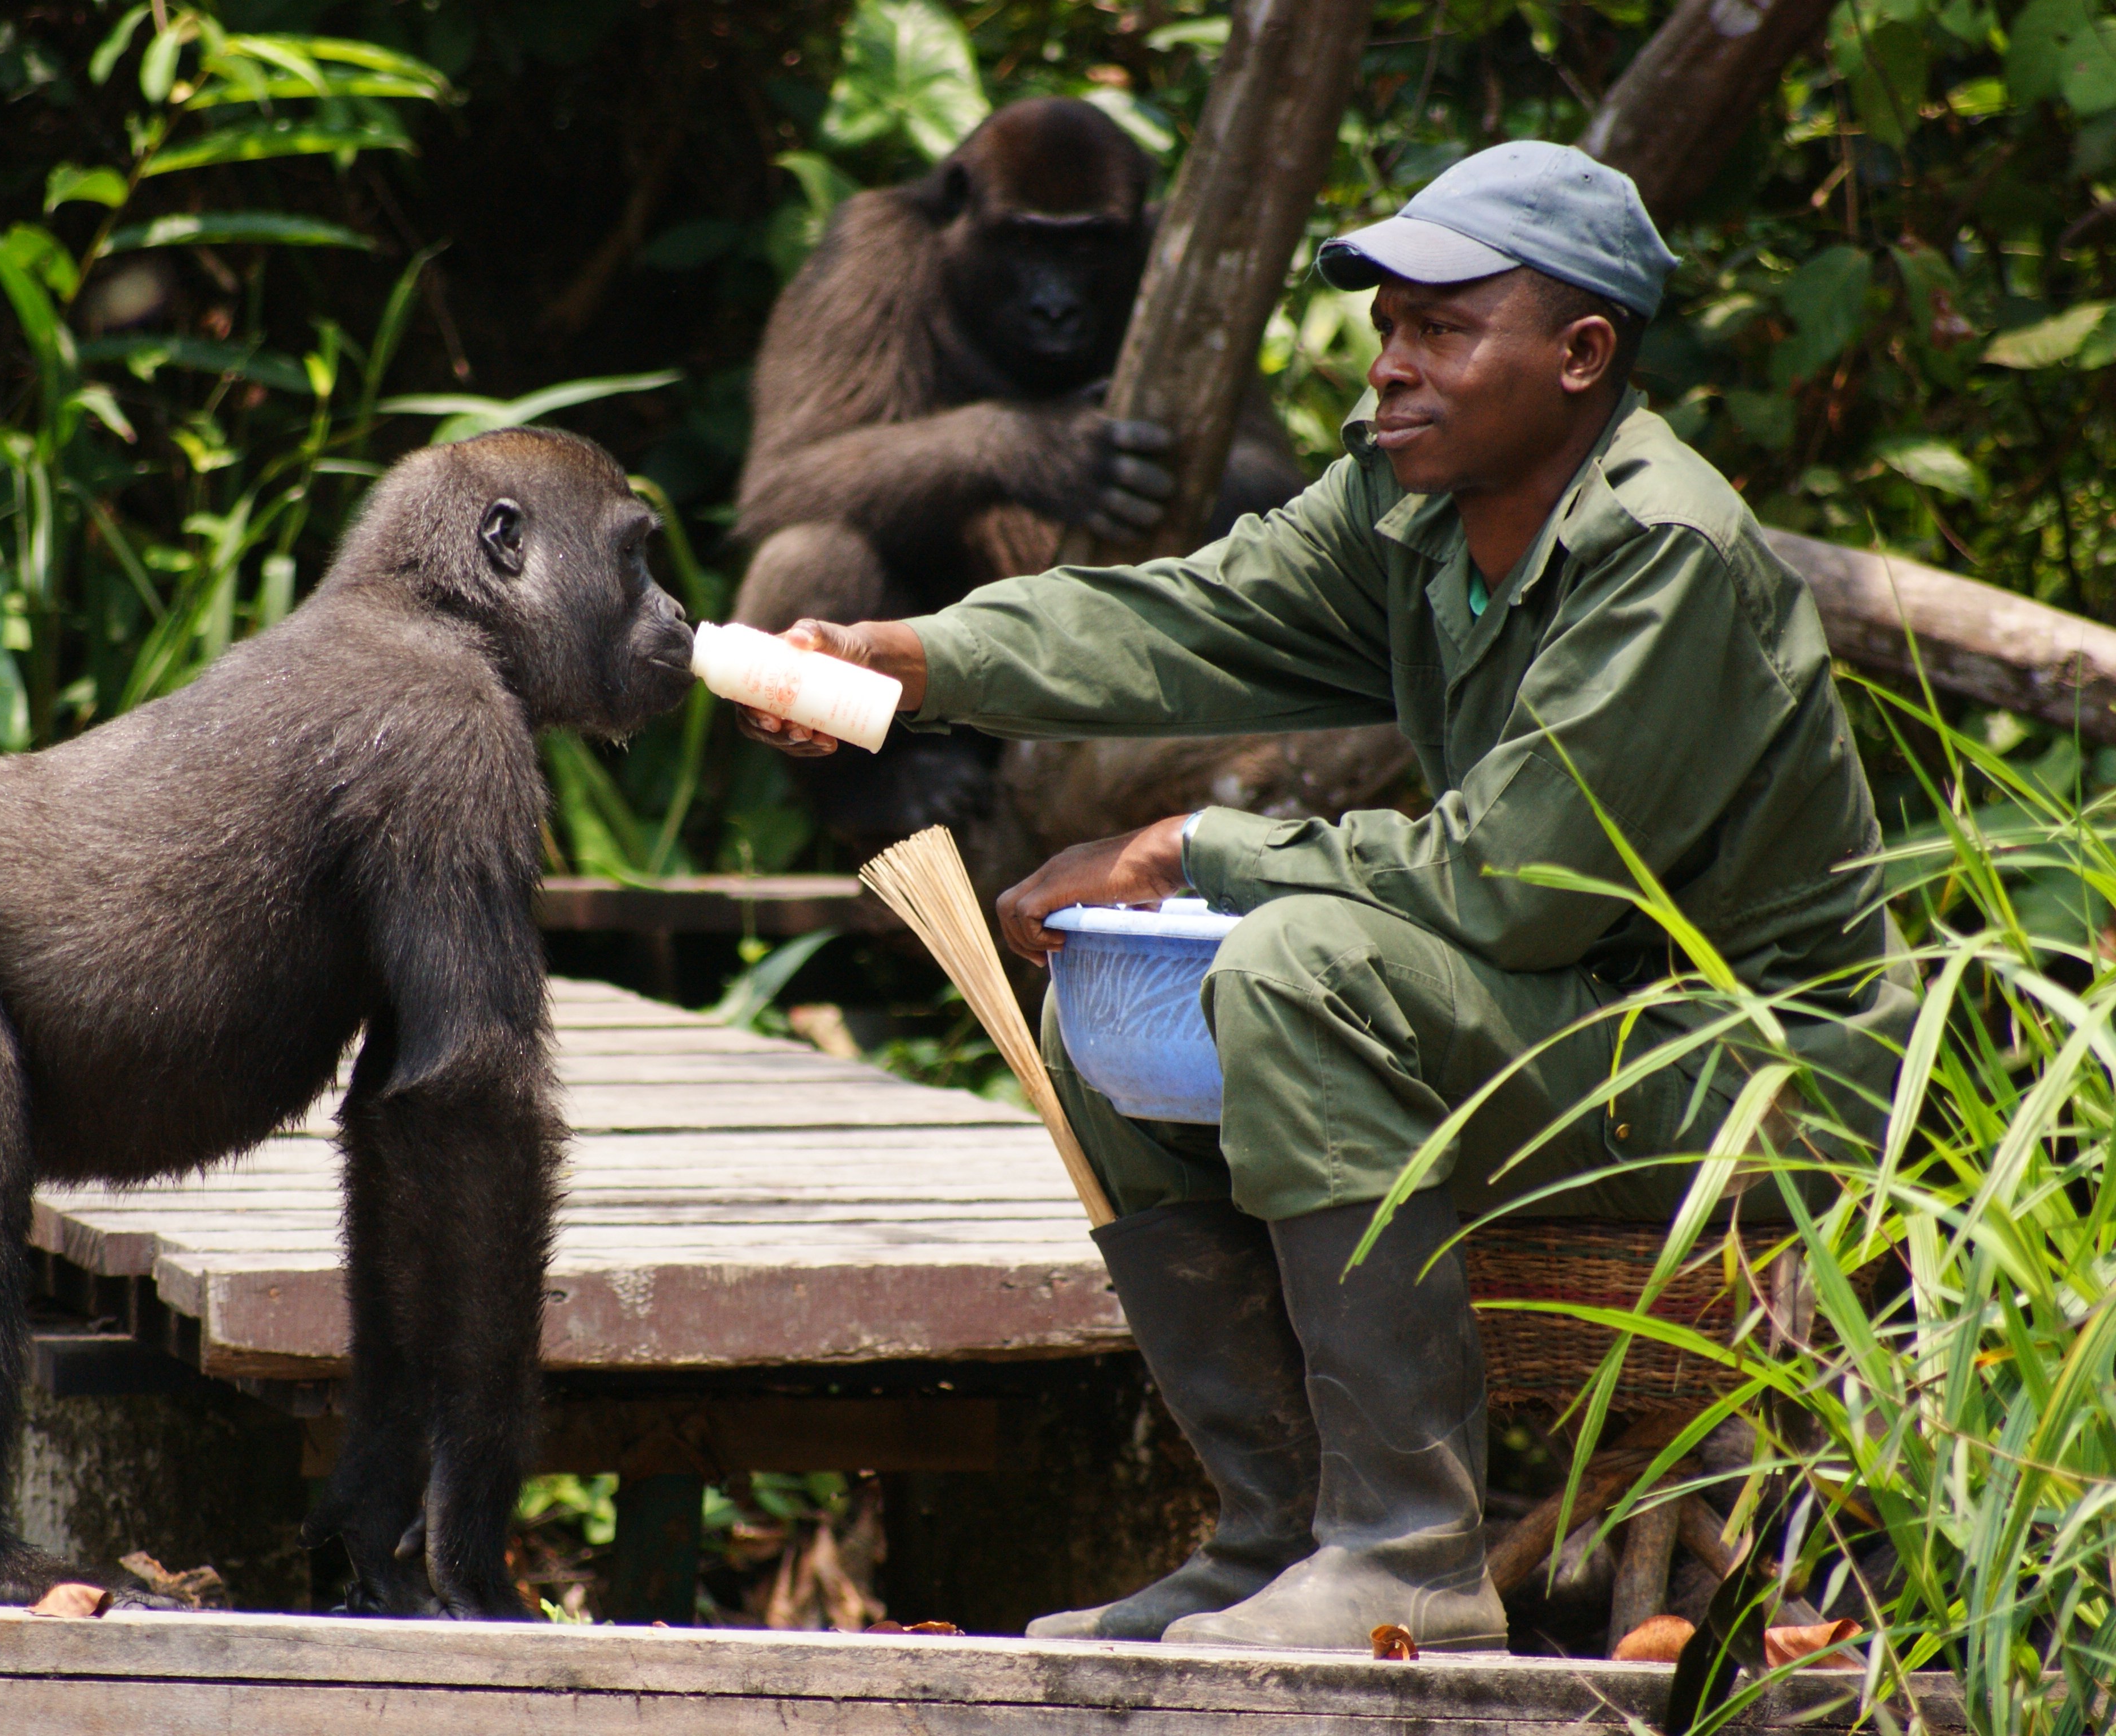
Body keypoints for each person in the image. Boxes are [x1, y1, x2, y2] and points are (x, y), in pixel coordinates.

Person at [734, 141, 1917, 1652]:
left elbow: (1510, 890)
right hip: (1573, 1031)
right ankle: (1272, 1541)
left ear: (1581, 355)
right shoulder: (1411, 510)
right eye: (1386, 329)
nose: (1391, 371)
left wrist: (1180, 849)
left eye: (1442, 331)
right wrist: (912, 655)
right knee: (1112, 992)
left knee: (1294, 963)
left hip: (1746, 1077)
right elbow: (1178, 619)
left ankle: (1410, 1554)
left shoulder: (1660, 555)